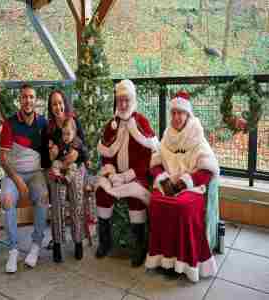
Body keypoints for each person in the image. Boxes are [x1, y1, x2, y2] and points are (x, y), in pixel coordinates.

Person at [145, 90, 219, 282]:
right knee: (157, 202)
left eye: (181, 113)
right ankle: (165, 260)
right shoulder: (167, 134)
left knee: (182, 206)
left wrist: (183, 183)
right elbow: (156, 163)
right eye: (174, 113)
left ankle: (185, 263)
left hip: (191, 187)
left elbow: (208, 170)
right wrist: (163, 179)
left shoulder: (197, 135)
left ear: (188, 114)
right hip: (168, 183)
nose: (177, 117)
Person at [95, 79, 160, 267]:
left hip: (136, 176)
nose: (122, 104)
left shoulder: (141, 122)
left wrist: (126, 176)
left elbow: (147, 159)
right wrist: (111, 172)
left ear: (132, 100)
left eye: (126, 100)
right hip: (114, 175)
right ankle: (105, 241)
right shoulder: (111, 125)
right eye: (120, 100)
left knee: (134, 197)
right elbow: (105, 154)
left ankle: (139, 246)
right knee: (102, 192)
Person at [0, 83, 49, 273]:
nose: (28, 100)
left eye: (31, 97)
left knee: (43, 196)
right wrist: (17, 180)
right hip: (13, 174)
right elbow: (2, 159)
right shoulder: (9, 123)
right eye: (24, 97)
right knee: (7, 199)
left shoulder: (43, 123)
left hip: (36, 173)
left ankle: (36, 245)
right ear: (19, 100)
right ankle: (13, 250)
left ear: (35, 100)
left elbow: (54, 144)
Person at [41, 89, 93, 263]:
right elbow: (45, 159)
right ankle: (57, 242)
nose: (58, 106)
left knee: (76, 197)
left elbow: (85, 146)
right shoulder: (48, 129)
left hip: (75, 167)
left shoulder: (73, 121)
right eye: (54, 104)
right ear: (51, 107)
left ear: (65, 103)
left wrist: (77, 153)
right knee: (57, 198)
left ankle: (78, 240)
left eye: (60, 102)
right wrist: (53, 156)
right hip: (57, 168)